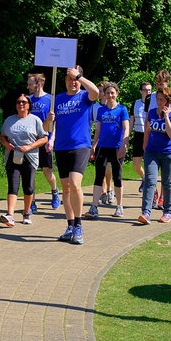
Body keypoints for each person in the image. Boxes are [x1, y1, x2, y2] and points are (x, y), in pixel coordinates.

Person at [44, 66, 99, 245]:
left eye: (75, 78)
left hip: (80, 146)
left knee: (75, 184)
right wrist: (49, 120)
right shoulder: (57, 99)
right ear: (65, 81)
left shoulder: (84, 96)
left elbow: (96, 92)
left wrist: (79, 76)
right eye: (69, 78)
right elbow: (46, 128)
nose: (72, 81)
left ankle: (78, 226)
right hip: (61, 147)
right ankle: (69, 226)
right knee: (66, 188)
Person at [0, 94, 48, 226]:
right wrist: (6, 144)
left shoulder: (35, 120)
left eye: (24, 102)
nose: (21, 104)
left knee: (28, 186)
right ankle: (10, 215)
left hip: (30, 157)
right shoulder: (9, 120)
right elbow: (2, 136)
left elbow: (44, 138)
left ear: (29, 105)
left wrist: (30, 146)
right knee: (13, 185)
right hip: (13, 156)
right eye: (18, 102)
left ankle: (26, 213)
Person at [85, 82, 130, 218]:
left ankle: (119, 206)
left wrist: (124, 143)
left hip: (116, 147)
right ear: (103, 94)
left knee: (117, 176)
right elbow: (98, 130)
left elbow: (126, 127)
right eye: (107, 93)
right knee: (99, 176)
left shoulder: (122, 109)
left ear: (117, 93)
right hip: (102, 147)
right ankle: (94, 207)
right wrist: (93, 146)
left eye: (112, 93)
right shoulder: (101, 110)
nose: (110, 95)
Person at [138, 86, 171, 224]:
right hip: (152, 152)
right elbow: (148, 130)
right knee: (150, 180)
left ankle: (167, 212)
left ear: (168, 101)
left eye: (162, 100)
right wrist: (145, 145)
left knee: (167, 183)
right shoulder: (152, 113)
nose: (159, 102)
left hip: (169, 153)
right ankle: (145, 213)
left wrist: (166, 117)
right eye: (157, 99)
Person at [27, 73, 60, 212]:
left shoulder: (50, 100)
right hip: (30, 141)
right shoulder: (27, 100)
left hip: (46, 140)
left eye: (30, 84)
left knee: (47, 172)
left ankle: (54, 191)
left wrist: (52, 140)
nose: (28, 86)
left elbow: (56, 123)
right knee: (30, 173)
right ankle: (32, 202)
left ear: (38, 84)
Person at [144, 70, 171, 209]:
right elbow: (148, 120)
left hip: (170, 138)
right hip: (153, 140)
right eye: (157, 84)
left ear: (167, 82)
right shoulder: (150, 98)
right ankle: (154, 197)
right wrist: (144, 143)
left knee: (166, 178)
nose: (159, 86)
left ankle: (163, 199)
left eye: (162, 84)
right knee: (150, 177)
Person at [91, 81, 115, 205]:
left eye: (102, 91)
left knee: (108, 168)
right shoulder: (95, 107)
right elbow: (92, 124)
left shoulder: (115, 106)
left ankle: (110, 189)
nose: (100, 93)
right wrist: (92, 144)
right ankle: (103, 192)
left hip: (111, 142)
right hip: (99, 140)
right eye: (99, 91)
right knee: (101, 168)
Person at [130, 82, 152, 192]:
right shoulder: (136, 104)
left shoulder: (154, 102)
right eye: (145, 90)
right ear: (141, 91)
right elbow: (131, 122)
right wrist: (126, 138)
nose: (148, 92)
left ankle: (152, 190)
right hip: (138, 135)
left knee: (149, 164)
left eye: (149, 90)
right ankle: (144, 178)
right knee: (136, 164)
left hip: (150, 135)